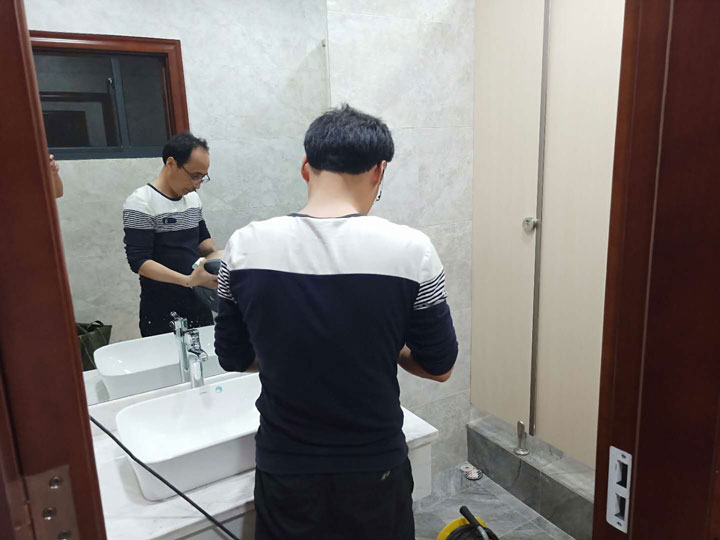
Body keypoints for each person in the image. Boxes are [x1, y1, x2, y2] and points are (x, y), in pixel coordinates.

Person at [214, 104, 458, 540]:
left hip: (286, 465)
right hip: (374, 466)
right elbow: (439, 367)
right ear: (379, 171)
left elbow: (233, 357)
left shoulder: (244, 247)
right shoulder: (412, 251)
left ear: (305, 167)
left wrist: (288, 352)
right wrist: (383, 348)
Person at [123, 132, 218, 337]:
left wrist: (225, 259)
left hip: (198, 302)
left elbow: (203, 242)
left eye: (203, 177)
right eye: (194, 175)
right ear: (171, 163)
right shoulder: (141, 202)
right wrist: (188, 280)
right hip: (161, 309)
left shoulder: (192, 199)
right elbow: (139, 261)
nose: (198, 184)